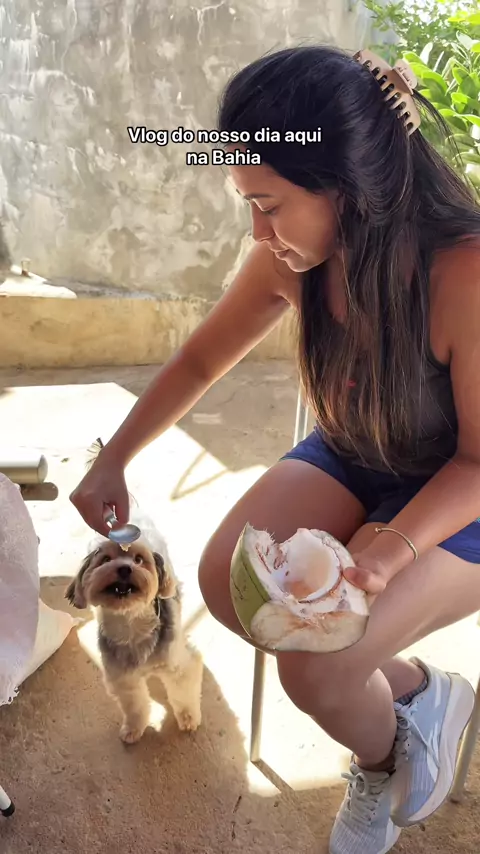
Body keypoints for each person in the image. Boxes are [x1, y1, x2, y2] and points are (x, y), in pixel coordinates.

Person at [70, 44, 480, 853]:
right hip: (360, 446)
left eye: (270, 204)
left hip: (458, 487)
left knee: (317, 666)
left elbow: (477, 463)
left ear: (349, 188)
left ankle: (376, 758)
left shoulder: (463, 274)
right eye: (247, 204)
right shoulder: (292, 260)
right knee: (228, 585)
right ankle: (418, 695)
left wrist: (388, 552)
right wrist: (113, 458)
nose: (258, 231)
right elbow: (199, 360)